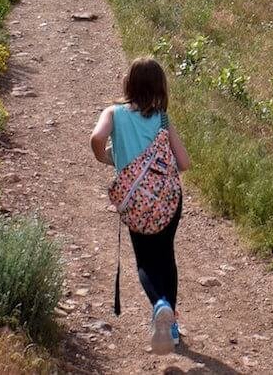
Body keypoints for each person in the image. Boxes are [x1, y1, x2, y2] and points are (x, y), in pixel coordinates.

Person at [90, 57, 192, 354]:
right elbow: (184, 163)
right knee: (166, 256)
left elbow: (96, 138)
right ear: (160, 87)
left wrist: (106, 157)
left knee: (145, 260)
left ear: (129, 84)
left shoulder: (114, 113)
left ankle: (159, 304)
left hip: (135, 201)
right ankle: (170, 324)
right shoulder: (162, 119)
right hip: (169, 199)